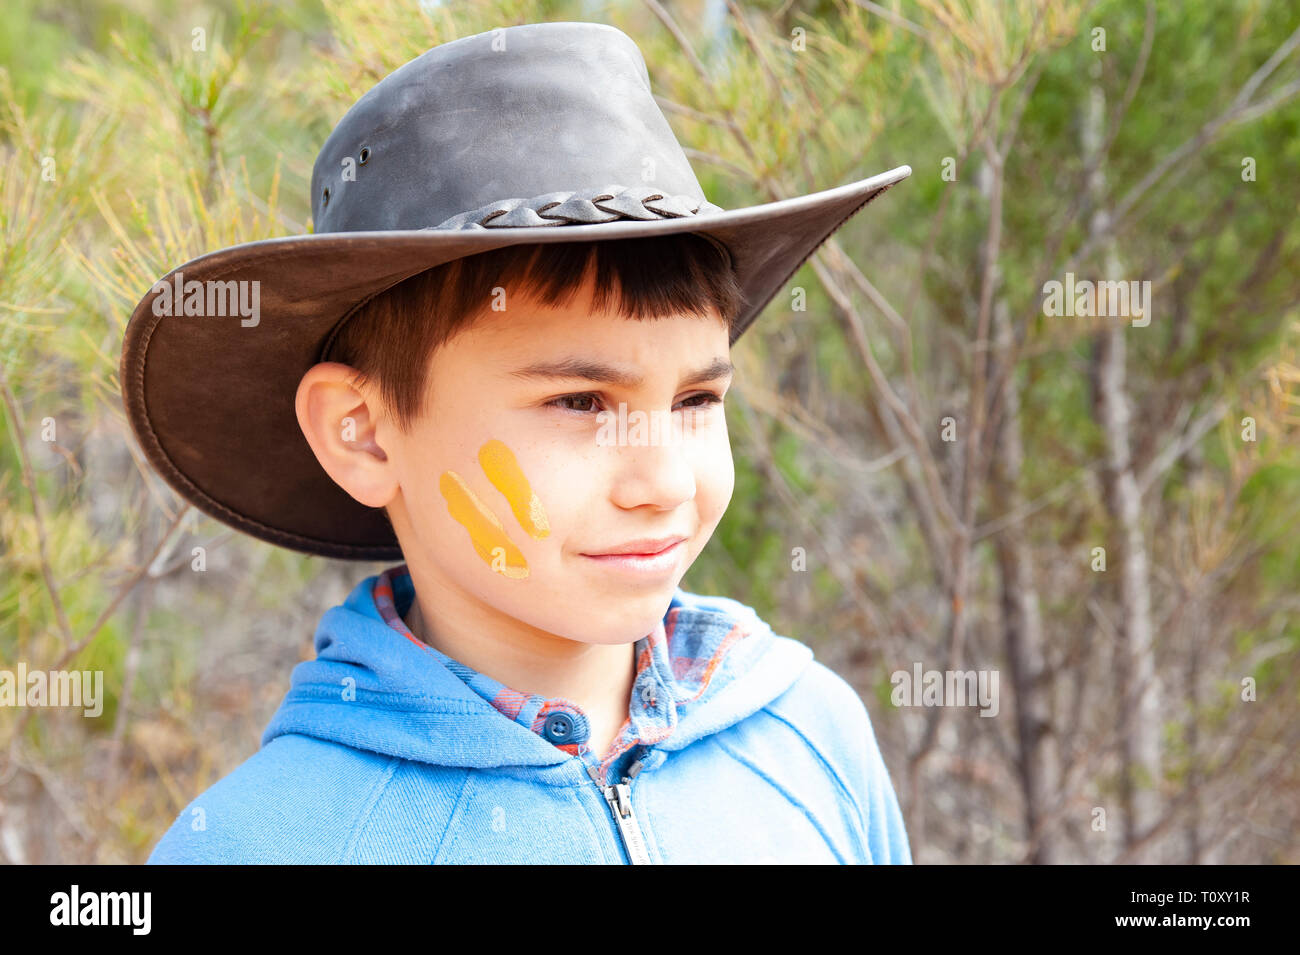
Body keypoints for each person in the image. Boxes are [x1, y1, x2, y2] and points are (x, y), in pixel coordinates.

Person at [124, 20, 913, 864]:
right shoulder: (262, 843)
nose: (665, 481)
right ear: (363, 434)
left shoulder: (812, 739)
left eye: (695, 398)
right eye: (579, 401)